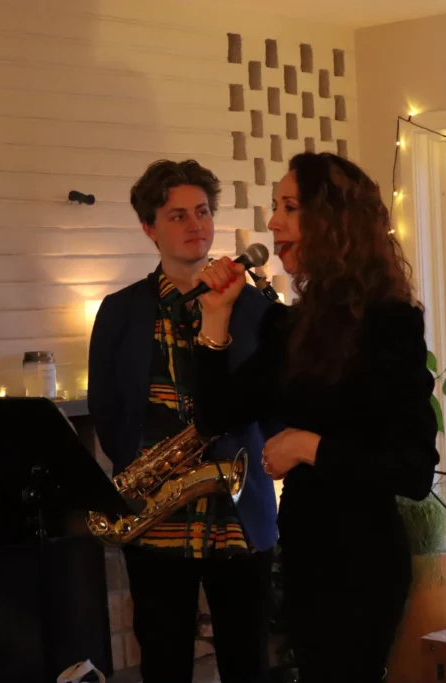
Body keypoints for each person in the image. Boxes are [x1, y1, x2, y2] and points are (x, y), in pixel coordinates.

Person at [190, 151, 440, 681]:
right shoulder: (291, 326)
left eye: (289, 207)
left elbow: (413, 471)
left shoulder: (389, 324)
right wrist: (215, 317)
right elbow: (216, 416)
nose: (273, 222)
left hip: (362, 561)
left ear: (332, 222)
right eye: (275, 207)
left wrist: (311, 446)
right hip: (304, 553)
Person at [87, 160, 277, 683]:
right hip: (157, 516)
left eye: (203, 212)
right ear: (149, 228)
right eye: (177, 216)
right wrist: (146, 475)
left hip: (238, 513)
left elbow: (272, 398)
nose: (196, 225)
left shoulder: (255, 305)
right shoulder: (119, 311)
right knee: (164, 660)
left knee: (247, 662)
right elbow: (107, 410)